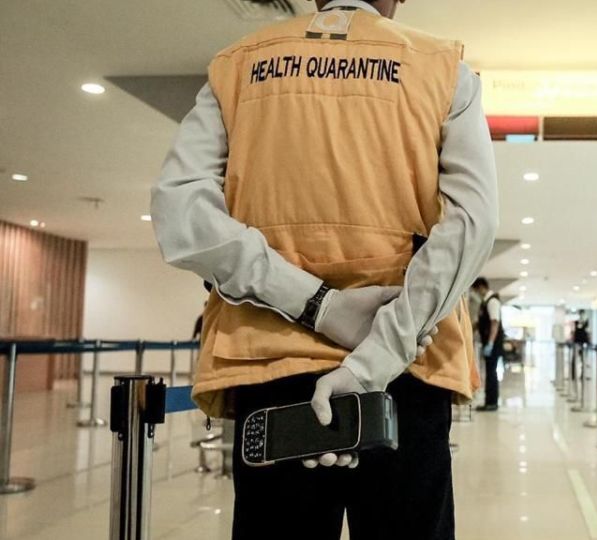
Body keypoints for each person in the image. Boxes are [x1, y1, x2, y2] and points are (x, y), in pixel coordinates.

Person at [150, 0, 498, 537]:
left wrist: (319, 304)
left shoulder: (238, 65)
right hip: (406, 369)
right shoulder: (442, 67)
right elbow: (471, 223)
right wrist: (375, 357)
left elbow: (180, 212)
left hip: (269, 364)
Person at [471, 278, 503, 412]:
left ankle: (492, 403)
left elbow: (494, 323)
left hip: (493, 343)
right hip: (489, 342)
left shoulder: (493, 301)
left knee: (491, 373)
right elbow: (479, 323)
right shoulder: (485, 303)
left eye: (477, 290)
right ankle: (489, 401)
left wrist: (490, 342)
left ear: (482, 287)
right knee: (489, 372)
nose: (477, 294)